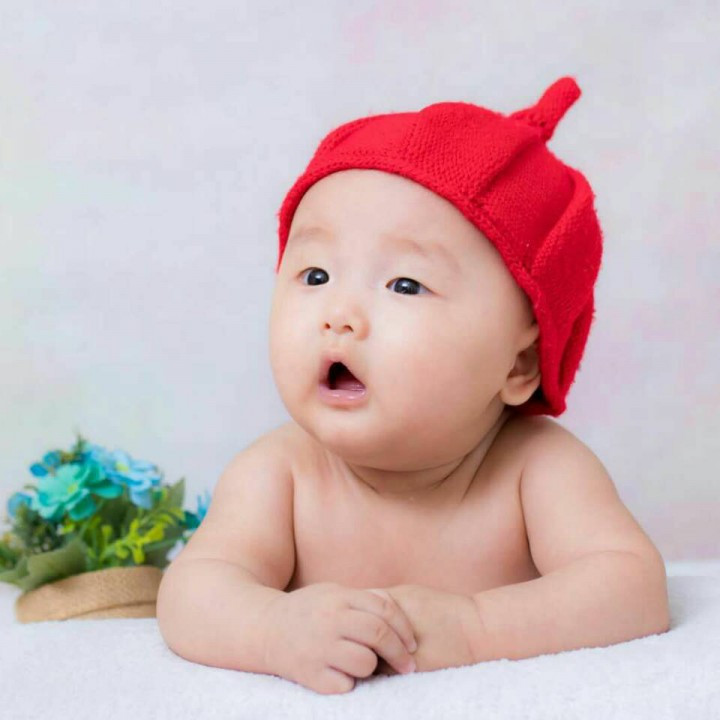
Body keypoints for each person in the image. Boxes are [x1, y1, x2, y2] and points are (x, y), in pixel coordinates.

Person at [156, 76, 670, 695]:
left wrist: (476, 628)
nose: (339, 314)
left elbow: (632, 588)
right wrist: (273, 628)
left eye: (404, 285)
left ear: (519, 364)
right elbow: (191, 593)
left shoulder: (536, 469)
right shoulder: (281, 473)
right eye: (315, 274)